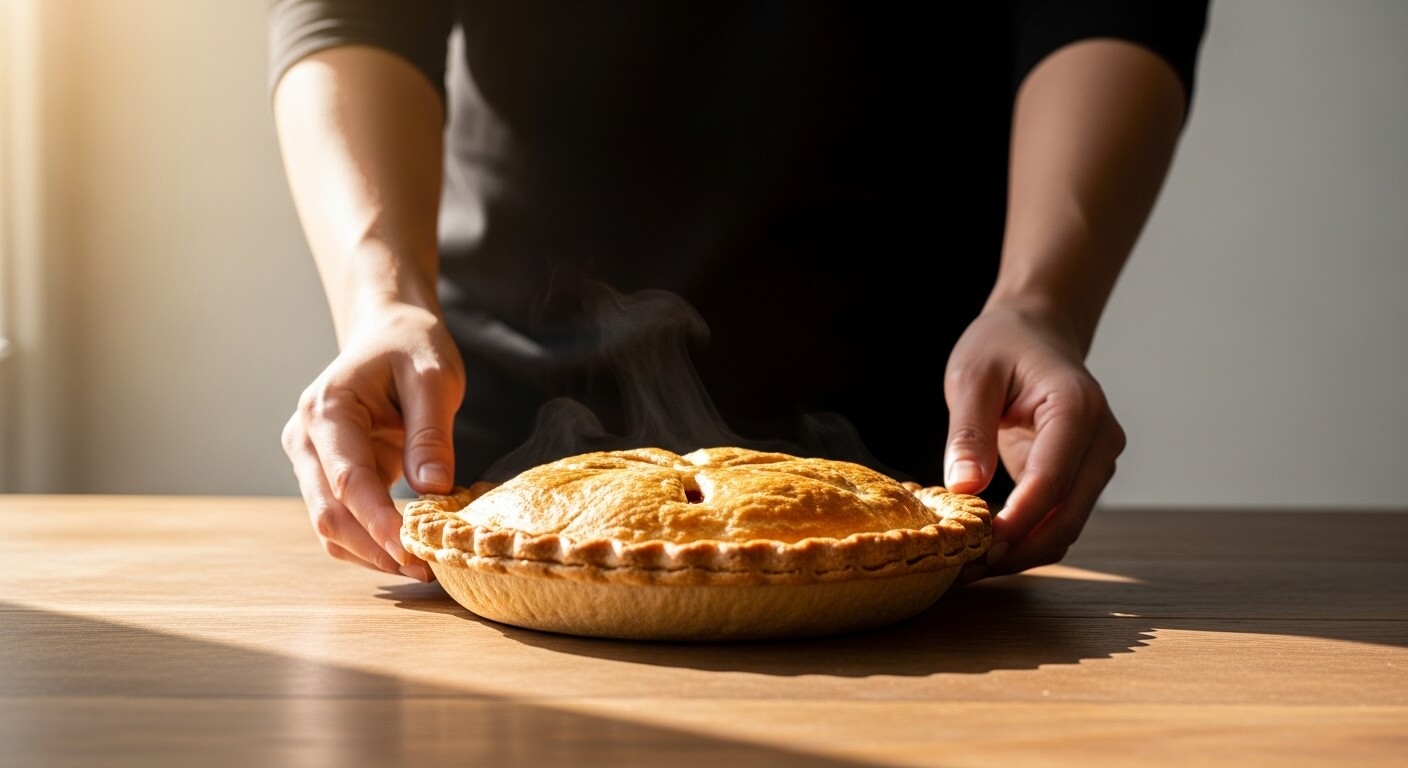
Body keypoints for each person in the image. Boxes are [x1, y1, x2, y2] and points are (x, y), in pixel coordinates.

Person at [269, 2, 1209, 584]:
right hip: (492, 415)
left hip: (923, 425)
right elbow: (353, 12)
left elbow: (1110, 6)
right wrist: (381, 298)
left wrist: (1037, 302)